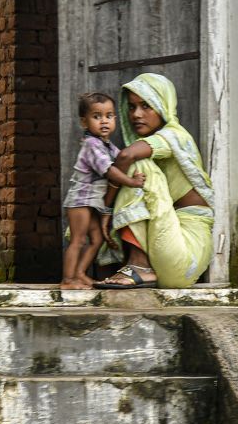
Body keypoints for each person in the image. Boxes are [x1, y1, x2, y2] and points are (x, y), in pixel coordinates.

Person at [94, 73, 214, 289]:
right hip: (165, 248)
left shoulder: (175, 136)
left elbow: (126, 157)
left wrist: (106, 210)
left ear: (162, 105)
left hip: (185, 253)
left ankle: (139, 266)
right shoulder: (151, 143)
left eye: (146, 106)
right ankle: (101, 269)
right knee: (108, 182)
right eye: (131, 107)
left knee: (135, 168)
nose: (136, 114)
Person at [60, 93, 146, 290]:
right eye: (97, 116)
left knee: (97, 239)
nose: (104, 121)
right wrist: (132, 182)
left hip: (92, 202)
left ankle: (80, 273)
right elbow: (111, 171)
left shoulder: (106, 145)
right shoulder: (91, 145)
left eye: (109, 116)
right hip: (80, 201)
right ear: (84, 122)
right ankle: (68, 279)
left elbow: (122, 159)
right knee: (79, 240)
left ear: (115, 118)